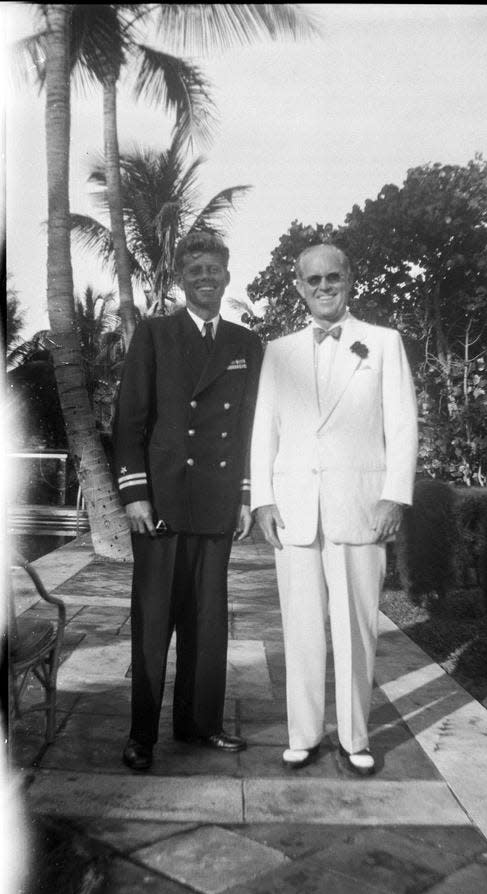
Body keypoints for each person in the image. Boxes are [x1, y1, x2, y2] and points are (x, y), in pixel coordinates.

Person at [250, 243, 418, 776]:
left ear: (350, 280)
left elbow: (404, 424)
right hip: (295, 509)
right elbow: (264, 430)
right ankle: (302, 734)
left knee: (356, 628)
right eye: (312, 279)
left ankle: (354, 737)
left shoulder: (384, 344)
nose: (323, 287)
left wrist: (395, 494)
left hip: (360, 507)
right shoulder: (278, 352)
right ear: (298, 286)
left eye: (333, 278)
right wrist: (263, 500)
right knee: (300, 628)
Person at [113, 231, 263, 771]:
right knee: (153, 623)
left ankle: (200, 724)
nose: (206, 277)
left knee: (207, 622)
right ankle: (141, 735)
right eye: (195, 269)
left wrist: (245, 495)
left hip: (217, 502)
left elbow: (248, 430)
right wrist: (135, 494)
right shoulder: (155, 334)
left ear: (227, 275)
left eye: (214, 269)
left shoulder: (247, 344)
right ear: (181, 278)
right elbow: (129, 422)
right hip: (161, 503)